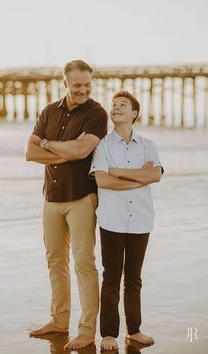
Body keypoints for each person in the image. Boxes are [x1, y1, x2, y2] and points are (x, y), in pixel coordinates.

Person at [25, 60, 108, 350]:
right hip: (51, 198)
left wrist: (47, 144)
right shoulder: (49, 111)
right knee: (55, 262)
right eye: (77, 85)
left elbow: (83, 149)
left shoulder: (97, 113)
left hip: (82, 197)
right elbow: (29, 152)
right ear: (65, 84)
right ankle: (59, 321)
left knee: (84, 264)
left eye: (88, 84)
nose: (84, 89)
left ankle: (86, 331)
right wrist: (64, 151)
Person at [90, 90, 163, 351]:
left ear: (134, 113)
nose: (116, 108)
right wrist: (138, 176)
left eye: (123, 105)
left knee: (134, 278)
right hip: (111, 220)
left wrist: (119, 172)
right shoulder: (103, 145)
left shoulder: (148, 145)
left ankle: (134, 330)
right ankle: (109, 334)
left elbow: (155, 176)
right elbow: (102, 180)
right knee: (111, 276)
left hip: (141, 219)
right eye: (114, 105)